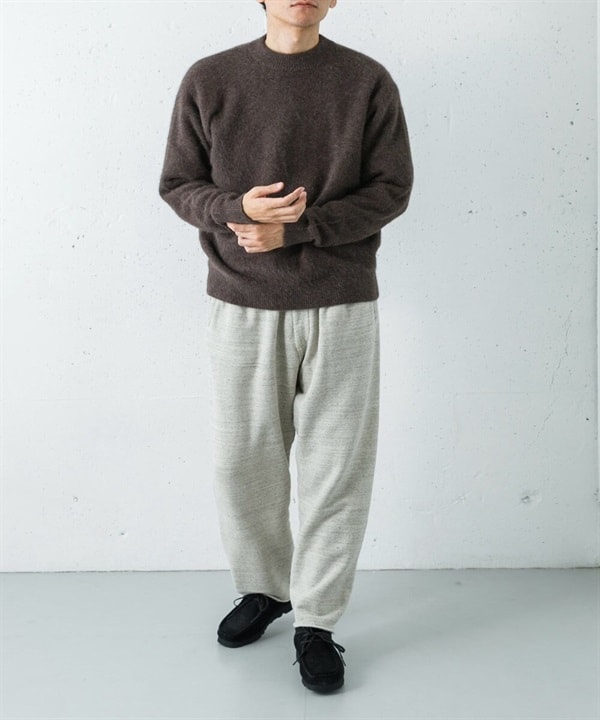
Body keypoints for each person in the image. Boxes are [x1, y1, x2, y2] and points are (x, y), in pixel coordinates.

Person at [158, 0, 413, 694]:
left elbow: (392, 189)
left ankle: (317, 622)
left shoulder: (366, 81)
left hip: (342, 299)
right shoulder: (210, 78)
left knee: (337, 467)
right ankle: (265, 589)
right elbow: (178, 184)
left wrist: (297, 230)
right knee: (243, 461)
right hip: (242, 300)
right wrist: (237, 210)